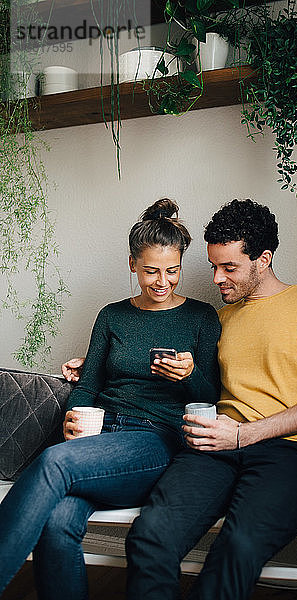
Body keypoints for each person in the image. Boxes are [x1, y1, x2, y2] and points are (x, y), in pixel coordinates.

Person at [124, 199, 297, 600]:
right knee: (151, 533)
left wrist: (245, 434)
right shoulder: (217, 319)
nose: (216, 278)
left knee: (239, 545)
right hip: (216, 446)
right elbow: (161, 361)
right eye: (213, 265)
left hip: (290, 451)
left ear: (263, 259)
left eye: (229, 267)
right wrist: (93, 361)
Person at [0, 198, 221, 600]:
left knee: (53, 461)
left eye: (172, 271)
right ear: (133, 265)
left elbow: (211, 399)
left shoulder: (202, 317)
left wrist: (190, 376)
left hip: (156, 441)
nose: (162, 281)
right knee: (57, 523)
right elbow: (89, 385)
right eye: (151, 270)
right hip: (100, 436)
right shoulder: (112, 315)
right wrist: (72, 416)